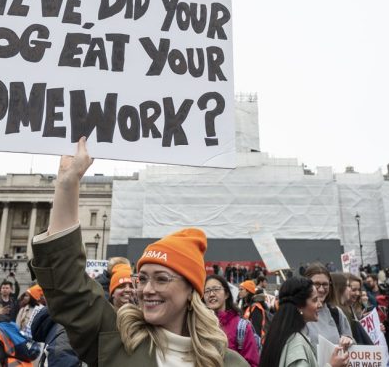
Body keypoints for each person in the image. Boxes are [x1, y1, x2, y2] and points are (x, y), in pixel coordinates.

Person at [29, 138, 248, 366]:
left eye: (161, 279)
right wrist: (67, 183)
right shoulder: (117, 341)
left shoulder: (229, 363)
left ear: (190, 291)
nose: (147, 290)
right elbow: (68, 287)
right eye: (142, 279)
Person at [259, 277, 348, 367]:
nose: (320, 304)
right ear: (300, 306)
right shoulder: (296, 344)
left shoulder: (280, 334)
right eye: (314, 300)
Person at [203, 275, 260, 367]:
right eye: (207, 291)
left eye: (216, 289)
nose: (211, 294)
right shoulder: (198, 325)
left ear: (227, 294)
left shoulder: (242, 327)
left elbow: (253, 364)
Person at [302, 264, 353, 354]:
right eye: (316, 284)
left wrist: (348, 340)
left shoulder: (336, 312)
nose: (321, 289)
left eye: (325, 284)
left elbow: (352, 345)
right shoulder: (298, 312)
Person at [330, 272, 372, 345]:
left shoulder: (354, 308)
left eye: (359, 290)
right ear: (340, 288)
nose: (357, 293)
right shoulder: (336, 311)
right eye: (353, 289)